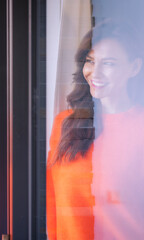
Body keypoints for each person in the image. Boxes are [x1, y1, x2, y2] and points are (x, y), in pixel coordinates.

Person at [47, 20, 144, 240]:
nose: (95, 72)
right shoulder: (65, 124)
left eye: (109, 63)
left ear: (134, 67)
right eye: (90, 61)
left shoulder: (140, 128)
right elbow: (52, 199)